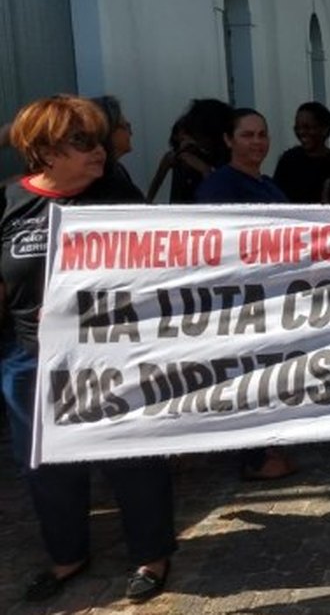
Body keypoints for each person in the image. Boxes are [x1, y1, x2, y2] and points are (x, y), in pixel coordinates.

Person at [2, 95, 176, 603]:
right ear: (45, 150)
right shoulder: (10, 202)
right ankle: (67, 556)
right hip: (31, 360)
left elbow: (159, 267)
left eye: (98, 138)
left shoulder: (115, 196)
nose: (98, 150)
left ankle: (151, 554)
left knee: (131, 458)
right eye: (81, 141)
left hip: (109, 352)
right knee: (43, 463)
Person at [194, 108, 297, 479]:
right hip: (240, 301)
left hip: (274, 299)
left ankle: (270, 447)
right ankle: (254, 457)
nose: (257, 142)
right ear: (228, 140)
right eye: (247, 135)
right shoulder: (219, 186)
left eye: (262, 134)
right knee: (247, 376)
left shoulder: (269, 185)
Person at [273, 101, 330, 203]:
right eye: (297, 128)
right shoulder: (289, 160)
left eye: (307, 127)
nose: (301, 132)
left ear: (325, 129)